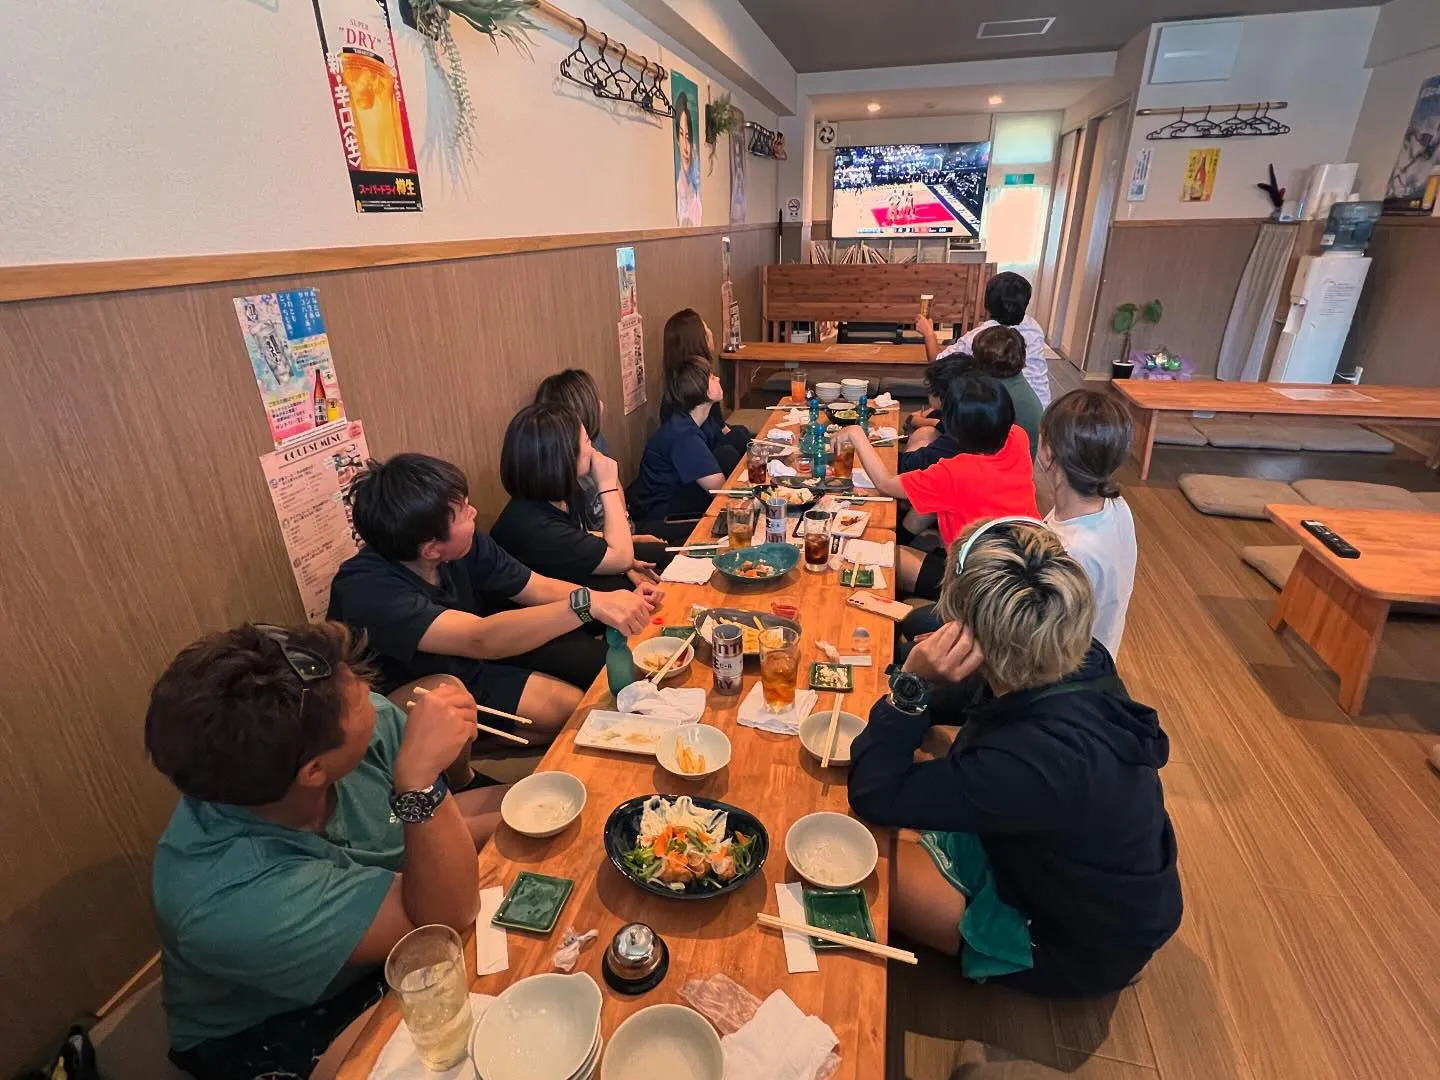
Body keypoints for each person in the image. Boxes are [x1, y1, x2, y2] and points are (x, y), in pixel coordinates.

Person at [149, 622, 507, 1080]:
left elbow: (422, 830)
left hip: (395, 914)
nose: (374, 699)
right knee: (451, 1047)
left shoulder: (321, 739)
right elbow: (446, 914)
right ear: (315, 770)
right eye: (359, 697)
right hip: (274, 1019)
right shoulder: (226, 895)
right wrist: (416, 784)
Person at [848, 520, 1182, 998]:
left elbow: (873, 791)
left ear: (964, 629)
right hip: (1064, 867)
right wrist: (916, 680)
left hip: (1073, 941)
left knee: (853, 855)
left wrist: (910, 688)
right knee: (893, 797)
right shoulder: (1071, 655)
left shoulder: (1036, 759)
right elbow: (962, 699)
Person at [328, 453, 657, 743]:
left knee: (574, 710)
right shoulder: (367, 588)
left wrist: (608, 599)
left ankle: (487, 739)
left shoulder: (463, 547)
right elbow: (479, 638)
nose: (474, 512)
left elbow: (537, 587)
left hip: (470, 668)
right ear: (430, 548)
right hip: (414, 693)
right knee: (579, 718)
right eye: (462, 512)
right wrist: (589, 606)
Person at [836, 373, 1038, 600]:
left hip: (985, 586)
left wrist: (856, 435)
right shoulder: (1017, 437)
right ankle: (904, 537)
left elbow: (885, 484)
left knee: (884, 558)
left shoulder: (955, 473)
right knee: (933, 504)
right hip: (1027, 561)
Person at [490, 403, 668, 590]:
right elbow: (621, 558)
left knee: (659, 555)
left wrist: (632, 542)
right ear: (564, 455)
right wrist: (607, 485)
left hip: (568, 579)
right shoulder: (533, 525)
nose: (593, 448)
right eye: (586, 441)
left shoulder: (560, 493)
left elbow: (576, 536)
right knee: (638, 585)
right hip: (544, 608)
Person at [1039, 389, 1137, 657]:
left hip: (1067, 667)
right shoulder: (1116, 505)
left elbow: (1042, 645)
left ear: (1048, 452)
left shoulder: (1071, 551)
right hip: (1100, 651)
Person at [627, 355, 730, 543]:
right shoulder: (683, 435)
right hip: (661, 514)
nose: (718, 379)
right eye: (712, 377)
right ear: (699, 389)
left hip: (676, 497)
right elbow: (720, 488)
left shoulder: (696, 421)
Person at [918, 271, 1053, 408]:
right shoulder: (1034, 327)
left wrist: (928, 332)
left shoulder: (982, 336)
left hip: (1003, 414)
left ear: (986, 303)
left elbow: (938, 363)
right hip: (1042, 408)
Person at [662, 307, 752, 470]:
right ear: (696, 341)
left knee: (740, 434)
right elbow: (692, 448)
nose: (711, 333)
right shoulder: (689, 390)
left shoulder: (700, 382)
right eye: (705, 330)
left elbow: (720, 427)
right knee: (729, 453)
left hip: (707, 445)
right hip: (693, 465)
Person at [535, 368, 610, 532]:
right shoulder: (569, 469)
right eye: (593, 401)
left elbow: (615, 484)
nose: (601, 405)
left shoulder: (597, 442)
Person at [674, 92, 702, 227]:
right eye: (681, 134)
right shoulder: (678, 191)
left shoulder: (695, 197)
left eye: (688, 137)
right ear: (677, 141)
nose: (686, 147)